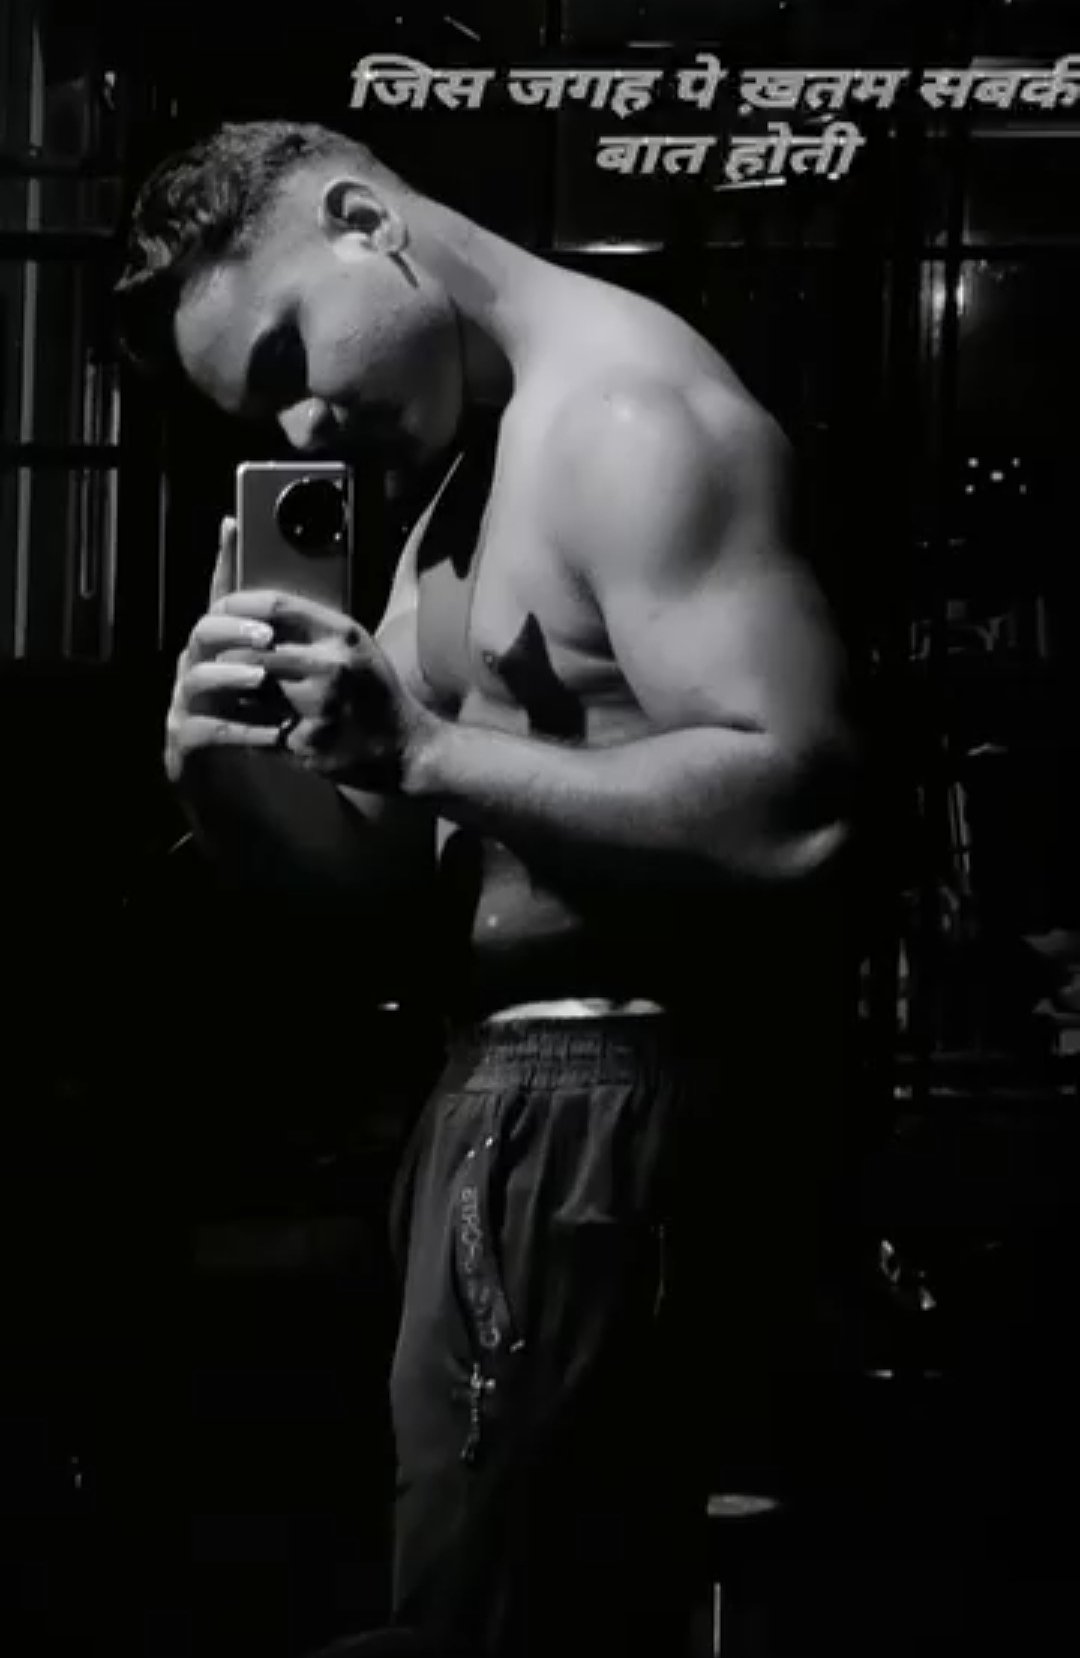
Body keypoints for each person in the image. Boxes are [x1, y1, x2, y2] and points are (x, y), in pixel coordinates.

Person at [115, 120, 858, 1658]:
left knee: (495, 1623)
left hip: (609, 1111)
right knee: (474, 1603)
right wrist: (225, 778)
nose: (304, 424)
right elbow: (388, 882)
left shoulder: (630, 419)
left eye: (288, 361)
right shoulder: (467, 484)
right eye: (263, 411)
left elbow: (802, 806)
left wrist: (431, 749)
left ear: (363, 220)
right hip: (513, 1109)